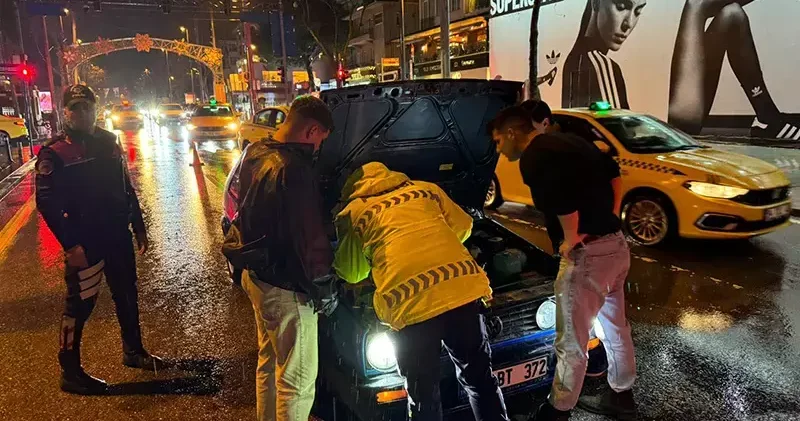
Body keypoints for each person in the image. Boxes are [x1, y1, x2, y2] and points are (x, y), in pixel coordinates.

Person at [489, 101, 635, 421]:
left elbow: (561, 200)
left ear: (513, 133)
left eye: (499, 141)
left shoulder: (534, 156)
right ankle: (623, 396)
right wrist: (612, 217)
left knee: (571, 341)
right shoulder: (571, 140)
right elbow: (614, 173)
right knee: (616, 327)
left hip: (587, 256)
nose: (499, 150)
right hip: (616, 246)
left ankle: (557, 412)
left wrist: (571, 240)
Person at [333, 162, 509, 421]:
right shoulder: (426, 190)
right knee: (480, 381)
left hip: (410, 308)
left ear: (353, 189)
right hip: (461, 292)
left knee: (423, 395)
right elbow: (464, 227)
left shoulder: (354, 212)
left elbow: (350, 272)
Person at [35, 84, 164, 395]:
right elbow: (47, 203)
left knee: (126, 294)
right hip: (85, 240)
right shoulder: (54, 152)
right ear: (65, 112)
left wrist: (139, 225)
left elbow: (125, 185)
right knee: (79, 305)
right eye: (76, 108)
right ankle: (70, 371)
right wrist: (71, 246)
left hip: (117, 234)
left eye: (88, 106)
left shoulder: (108, 141)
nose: (83, 113)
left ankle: (133, 351)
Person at [222, 95, 338, 421]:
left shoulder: (254, 152)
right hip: (287, 289)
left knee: (270, 361)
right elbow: (308, 238)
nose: (319, 150)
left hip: (257, 277)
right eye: (320, 141)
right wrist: (324, 287)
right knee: (297, 382)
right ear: (312, 131)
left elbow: (235, 207)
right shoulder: (294, 169)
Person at [668, 0, 800, 138]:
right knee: (696, 3)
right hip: (662, 126)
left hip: (679, 117)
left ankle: (767, 117)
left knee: (732, 15)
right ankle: (770, 120)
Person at [561, 0, 646, 109]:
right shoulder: (600, 64)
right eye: (621, 7)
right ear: (595, 3)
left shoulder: (574, 60)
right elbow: (616, 124)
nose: (628, 24)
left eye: (637, 12)